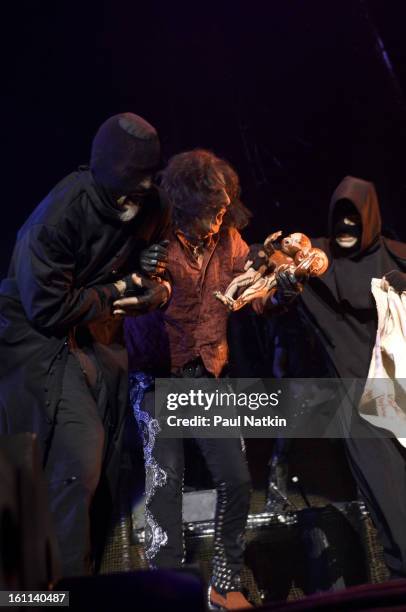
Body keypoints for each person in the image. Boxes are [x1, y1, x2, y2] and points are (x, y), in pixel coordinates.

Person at [122, 149, 298, 610]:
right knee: (165, 488)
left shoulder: (230, 242)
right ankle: (169, 592)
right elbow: (132, 291)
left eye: (223, 209)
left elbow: (254, 299)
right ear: (184, 204)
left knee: (237, 480)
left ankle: (224, 582)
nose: (218, 219)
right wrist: (145, 272)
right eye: (210, 211)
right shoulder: (155, 237)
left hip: (205, 375)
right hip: (158, 374)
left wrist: (279, 293)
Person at [0, 112, 171, 578]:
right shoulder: (58, 216)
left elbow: (155, 270)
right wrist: (116, 293)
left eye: (145, 180)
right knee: (54, 465)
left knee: (94, 474)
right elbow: (47, 308)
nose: (136, 193)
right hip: (33, 348)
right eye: (127, 182)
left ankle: (71, 586)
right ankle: (47, 594)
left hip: (98, 348)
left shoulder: (151, 204)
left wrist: (157, 288)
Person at [267, 176, 406, 577]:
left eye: (355, 218)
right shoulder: (311, 260)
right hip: (357, 406)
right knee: (393, 512)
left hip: (399, 394)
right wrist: (282, 287)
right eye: (339, 218)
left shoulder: (395, 258)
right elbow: (265, 277)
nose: (346, 228)